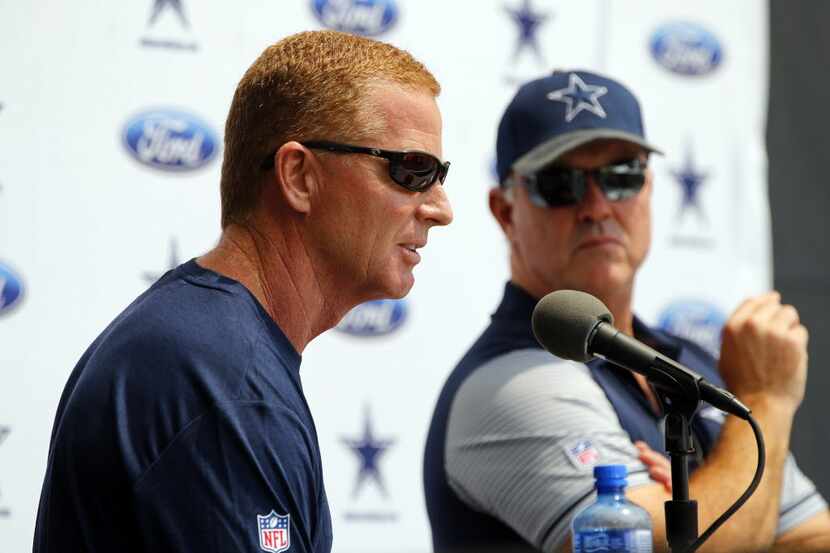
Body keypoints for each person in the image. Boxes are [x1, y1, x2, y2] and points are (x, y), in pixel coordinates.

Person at [34, 30, 452, 553]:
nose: (441, 209)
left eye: (440, 176)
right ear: (298, 176)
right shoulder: (220, 378)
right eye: (413, 171)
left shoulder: (210, 346)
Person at [424, 69, 830, 553]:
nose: (597, 206)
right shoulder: (509, 383)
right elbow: (707, 545)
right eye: (561, 185)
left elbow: (813, 537)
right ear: (505, 211)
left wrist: (708, 501)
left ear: (649, 188)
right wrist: (765, 402)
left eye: (622, 177)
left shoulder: (689, 362)